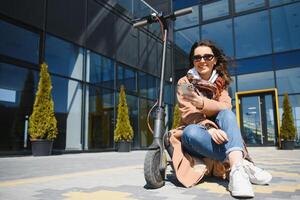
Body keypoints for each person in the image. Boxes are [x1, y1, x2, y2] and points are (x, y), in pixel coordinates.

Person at [168, 40, 272, 198]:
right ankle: (241, 162)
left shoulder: (220, 84)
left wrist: (202, 103)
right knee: (190, 133)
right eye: (197, 58)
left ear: (214, 60)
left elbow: (226, 107)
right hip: (196, 136)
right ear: (193, 61)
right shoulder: (185, 83)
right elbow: (189, 112)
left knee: (227, 115)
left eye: (207, 56)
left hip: (219, 137)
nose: (202, 61)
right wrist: (209, 128)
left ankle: (237, 171)